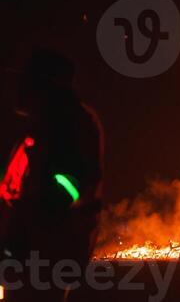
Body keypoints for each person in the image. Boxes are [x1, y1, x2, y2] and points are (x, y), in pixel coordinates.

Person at [0, 49, 104, 300]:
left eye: (26, 79)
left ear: (45, 85)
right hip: (30, 255)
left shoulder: (67, 124)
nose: (18, 87)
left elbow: (69, 186)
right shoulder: (43, 125)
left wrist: (23, 241)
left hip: (41, 257)